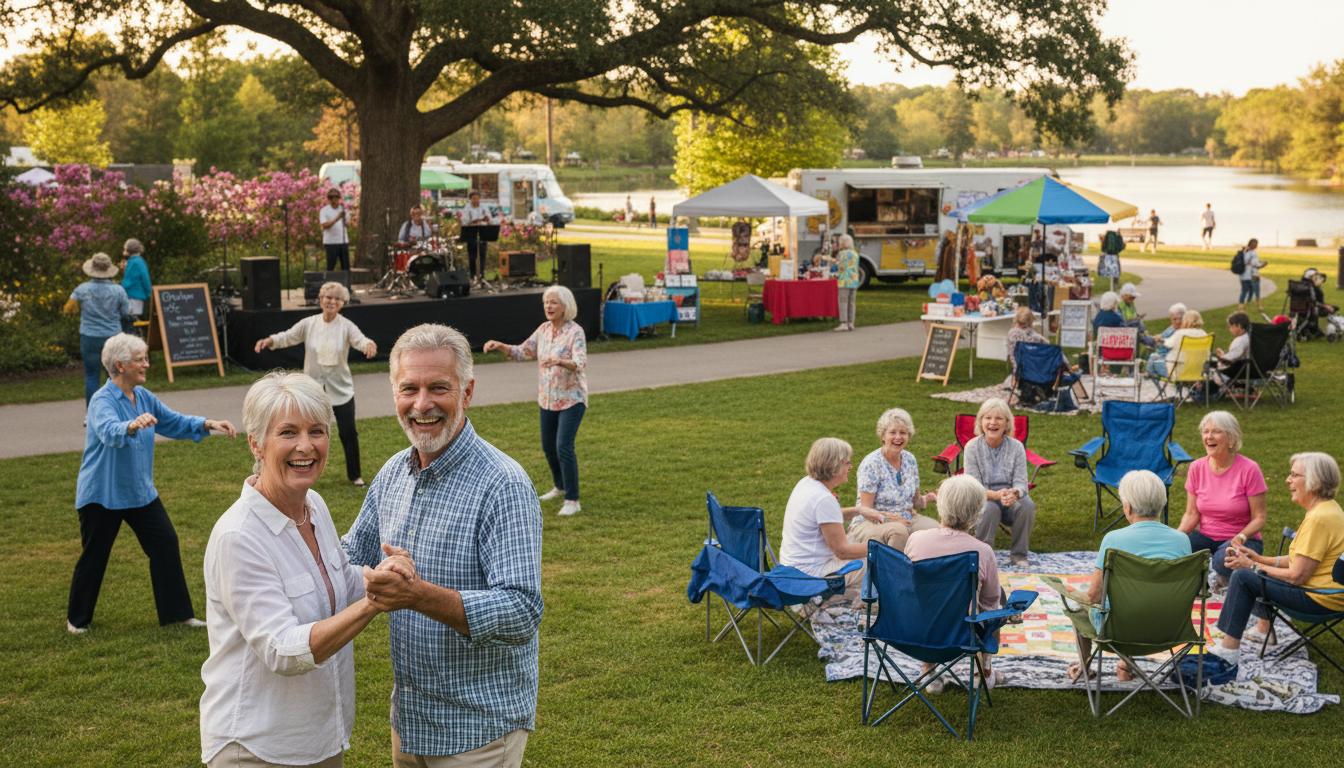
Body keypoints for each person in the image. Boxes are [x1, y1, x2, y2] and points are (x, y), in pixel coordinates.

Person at [344, 323, 542, 767]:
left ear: (467, 392)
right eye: (408, 388)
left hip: (478, 729)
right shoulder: (394, 472)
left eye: (439, 388)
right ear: (393, 392)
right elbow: (349, 557)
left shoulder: (502, 484)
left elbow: (522, 611)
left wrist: (418, 596)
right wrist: (288, 528)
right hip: (411, 720)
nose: (422, 404)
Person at [201, 372, 395, 768]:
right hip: (258, 749)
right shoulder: (239, 537)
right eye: (288, 432)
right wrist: (374, 604)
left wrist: (383, 575)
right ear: (256, 442)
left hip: (320, 740)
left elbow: (338, 582)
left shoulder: (314, 506)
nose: (306, 446)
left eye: (317, 431)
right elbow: (282, 651)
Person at [67, 333, 236, 634]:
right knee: (95, 556)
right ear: (120, 365)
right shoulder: (101, 401)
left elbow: (172, 421)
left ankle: (177, 615)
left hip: (140, 492)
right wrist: (130, 426)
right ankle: (77, 621)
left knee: (165, 544)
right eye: (140, 359)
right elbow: (108, 431)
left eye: (146, 357)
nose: (147, 364)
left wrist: (208, 424)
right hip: (102, 495)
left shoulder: (144, 397)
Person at [1209, 452, 1344, 666]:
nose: (1287, 480)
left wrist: (1251, 565)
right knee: (1250, 572)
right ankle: (1263, 630)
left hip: (1317, 598)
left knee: (1244, 577)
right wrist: (1260, 558)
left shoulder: (1319, 519)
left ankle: (1229, 650)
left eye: (1294, 475)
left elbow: (1296, 576)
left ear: (1313, 481)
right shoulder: (1327, 510)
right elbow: (1299, 559)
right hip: (1327, 593)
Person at [1063, 469, 1191, 682]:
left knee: (1080, 608)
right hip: (1171, 629)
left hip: (1119, 633)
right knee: (1139, 599)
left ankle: (1084, 667)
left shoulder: (1114, 540)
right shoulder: (1182, 540)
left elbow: (1094, 597)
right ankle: (1125, 664)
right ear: (1162, 503)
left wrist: (1069, 592)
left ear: (1127, 506)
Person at [255, 281, 377, 487]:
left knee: (348, 433)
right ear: (320, 300)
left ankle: (355, 476)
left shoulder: (346, 326)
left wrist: (369, 345)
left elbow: (360, 340)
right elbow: (289, 336)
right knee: (307, 435)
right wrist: (270, 341)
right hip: (312, 393)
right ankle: (302, 470)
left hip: (341, 391)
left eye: (337, 299)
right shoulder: (309, 323)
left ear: (342, 303)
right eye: (328, 297)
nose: (332, 301)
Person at [483, 285, 588, 516]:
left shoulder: (575, 332)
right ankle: (559, 487)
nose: (548, 307)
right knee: (548, 447)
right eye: (546, 303)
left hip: (572, 399)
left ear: (565, 306)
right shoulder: (543, 330)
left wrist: (559, 360)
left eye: (553, 302)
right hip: (547, 399)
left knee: (563, 446)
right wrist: (501, 346)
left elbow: (580, 363)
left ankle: (573, 499)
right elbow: (523, 352)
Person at [905, 474, 1004, 689]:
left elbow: (908, 588)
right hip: (961, 637)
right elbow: (990, 603)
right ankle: (983, 673)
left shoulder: (916, 539)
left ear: (941, 505)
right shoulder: (983, 552)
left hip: (913, 632)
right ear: (978, 512)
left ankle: (928, 671)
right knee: (997, 606)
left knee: (929, 598)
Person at [778, 437, 876, 603]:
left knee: (859, 541)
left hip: (791, 568)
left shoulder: (806, 483)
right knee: (874, 560)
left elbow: (827, 518)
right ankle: (829, 600)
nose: (850, 467)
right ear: (834, 466)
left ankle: (846, 595)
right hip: (809, 576)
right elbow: (842, 551)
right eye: (847, 463)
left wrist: (858, 510)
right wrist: (881, 549)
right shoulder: (823, 499)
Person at [1176, 411, 1267, 587]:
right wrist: (1175, 537)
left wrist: (1241, 536)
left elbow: (1260, 517)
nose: (1209, 436)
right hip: (1206, 536)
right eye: (1205, 431)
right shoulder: (1196, 468)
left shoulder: (1249, 469)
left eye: (1216, 431)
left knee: (1222, 561)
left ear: (1231, 439)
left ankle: (1211, 577)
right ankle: (1208, 580)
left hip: (1244, 538)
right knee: (1176, 551)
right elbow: (1191, 513)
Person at [848, 409, 939, 552]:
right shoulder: (871, 463)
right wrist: (892, 520)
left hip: (907, 517)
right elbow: (866, 510)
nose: (898, 437)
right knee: (899, 532)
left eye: (903, 433)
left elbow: (915, 502)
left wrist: (929, 497)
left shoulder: (910, 460)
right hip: (871, 521)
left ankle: (923, 571)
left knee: (936, 530)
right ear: (883, 436)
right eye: (892, 432)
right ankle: (892, 574)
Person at [963, 398, 1035, 566]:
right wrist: (995, 495)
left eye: (999, 418)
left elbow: (1021, 482)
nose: (993, 423)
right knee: (990, 508)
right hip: (983, 499)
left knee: (1027, 505)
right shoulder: (972, 447)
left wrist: (1015, 493)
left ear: (1007, 423)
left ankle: (1019, 556)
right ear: (981, 422)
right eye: (988, 418)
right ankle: (983, 557)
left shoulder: (1016, 447)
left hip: (1009, 498)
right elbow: (973, 487)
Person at [65, 252, 130, 407]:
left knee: (92, 376)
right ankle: (117, 410)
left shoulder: (82, 289)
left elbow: (68, 309)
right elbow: (126, 313)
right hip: (114, 337)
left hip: (89, 336)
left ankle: (92, 414)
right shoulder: (118, 290)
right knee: (115, 375)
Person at [1147, 308, 1208, 379]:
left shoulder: (1181, 333)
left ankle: (1153, 382)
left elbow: (1169, 343)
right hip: (1197, 372)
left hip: (1178, 372)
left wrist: (1161, 340)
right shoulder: (1204, 334)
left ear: (1186, 321)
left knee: (1153, 360)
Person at [1211, 311, 1252, 392]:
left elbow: (1231, 358)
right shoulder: (1251, 337)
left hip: (1240, 369)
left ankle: (1231, 385)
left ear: (1239, 326)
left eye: (1231, 327)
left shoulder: (1240, 340)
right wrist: (1224, 354)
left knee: (1211, 368)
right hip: (1255, 368)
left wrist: (1221, 357)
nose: (1229, 329)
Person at [459, 191, 492, 283]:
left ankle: (481, 275)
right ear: (470, 199)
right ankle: (472, 275)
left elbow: (490, 219)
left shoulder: (484, 207)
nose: (476, 200)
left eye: (477, 198)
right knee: (472, 256)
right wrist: (474, 221)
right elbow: (465, 222)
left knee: (482, 255)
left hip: (482, 233)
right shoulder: (467, 208)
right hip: (471, 233)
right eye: (474, 198)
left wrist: (487, 219)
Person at [1005, 306, 1047, 375]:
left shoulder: (1028, 330)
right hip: (1024, 364)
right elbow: (1018, 352)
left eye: (1023, 324)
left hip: (1030, 361)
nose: (1021, 326)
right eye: (1020, 323)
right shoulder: (1015, 332)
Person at [832, 234, 861, 332]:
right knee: (852, 302)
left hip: (844, 280)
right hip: (854, 280)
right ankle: (851, 323)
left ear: (843, 243)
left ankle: (843, 323)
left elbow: (838, 266)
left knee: (843, 302)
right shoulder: (855, 253)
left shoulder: (841, 254)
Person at [120, 238, 152, 325]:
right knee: (135, 322)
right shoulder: (139, 262)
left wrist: (120, 289)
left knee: (132, 322)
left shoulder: (133, 262)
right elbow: (145, 279)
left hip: (132, 296)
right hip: (138, 296)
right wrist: (149, 292)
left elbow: (128, 281)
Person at [320, 189, 350, 272]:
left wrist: (344, 218)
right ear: (329, 199)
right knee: (331, 267)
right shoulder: (324, 210)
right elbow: (325, 225)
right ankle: (329, 284)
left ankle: (346, 284)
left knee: (345, 267)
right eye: (331, 197)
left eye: (336, 197)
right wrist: (337, 218)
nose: (334, 199)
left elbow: (347, 225)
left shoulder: (343, 209)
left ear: (339, 198)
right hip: (330, 243)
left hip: (343, 241)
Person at [1237, 238, 1266, 312]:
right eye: (1256, 244)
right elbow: (1255, 264)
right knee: (1256, 291)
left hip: (1243, 276)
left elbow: (1247, 262)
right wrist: (1263, 264)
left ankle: (1241, 307)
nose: (1256, 245)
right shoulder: (1253, 253)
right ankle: (1259, 306)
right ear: (1252, 244)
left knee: (1244, 291)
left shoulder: (1244, 251)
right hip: (1253, 275)